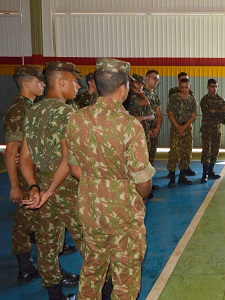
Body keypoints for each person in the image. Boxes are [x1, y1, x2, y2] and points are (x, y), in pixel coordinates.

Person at [65, 58, 155, 300]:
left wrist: (98, 184)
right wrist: (136, 195)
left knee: (92, 271)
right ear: (123, 88)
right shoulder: (129, 126)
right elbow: (143, 182)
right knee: (125, 279)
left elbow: (74, 168)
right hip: (123, 214)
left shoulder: (76, 119)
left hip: (91, 209)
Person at [20, 61, 84, 300]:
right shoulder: (68, 113)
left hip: (42, 185)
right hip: (67, 188)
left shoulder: (33, 111)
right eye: (74, 81)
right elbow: (69, 160)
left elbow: (25, 158)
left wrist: (36, 187)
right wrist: (50, 190)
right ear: (61, 81)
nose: (78, 85)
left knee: (47, 243)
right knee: (88, 241)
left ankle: (55, 295)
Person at [3, 65, 44, 283]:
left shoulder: (31, 107)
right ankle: (25, 266)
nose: (43, 85)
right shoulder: (19, 110)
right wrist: (15, 185)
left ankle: (31, 263)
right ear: (28, 83)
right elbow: (11, 150)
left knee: (31, 220)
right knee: (23, 221)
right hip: (24, 178)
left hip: (32, 173)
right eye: (40, 82)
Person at [167, 77, 198, 187]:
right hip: (176, 128)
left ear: (189, 87)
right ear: (179, 87)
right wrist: (178, 127)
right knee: (174, 153)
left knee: (186, 152)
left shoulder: (192, 99)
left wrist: (184, 127)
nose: (184, 89)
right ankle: (171, 178)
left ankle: (182, 177)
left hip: (187, 128)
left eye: (186, 87)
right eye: (182, 87)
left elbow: (193, 116)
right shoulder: (174, 98)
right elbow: (170, 114)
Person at [199, 78, 225, 183]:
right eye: (212, 87)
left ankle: (211, 171)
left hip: (217, 129)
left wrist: (216, 111)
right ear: (208, 87)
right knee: (206, 151)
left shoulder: (221, 99)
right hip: (207, 129)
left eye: (216, 86)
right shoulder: (204, 100)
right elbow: (208, 113)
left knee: (215, 151)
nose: (214, 89)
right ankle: (204, 173)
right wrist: (219, 111)